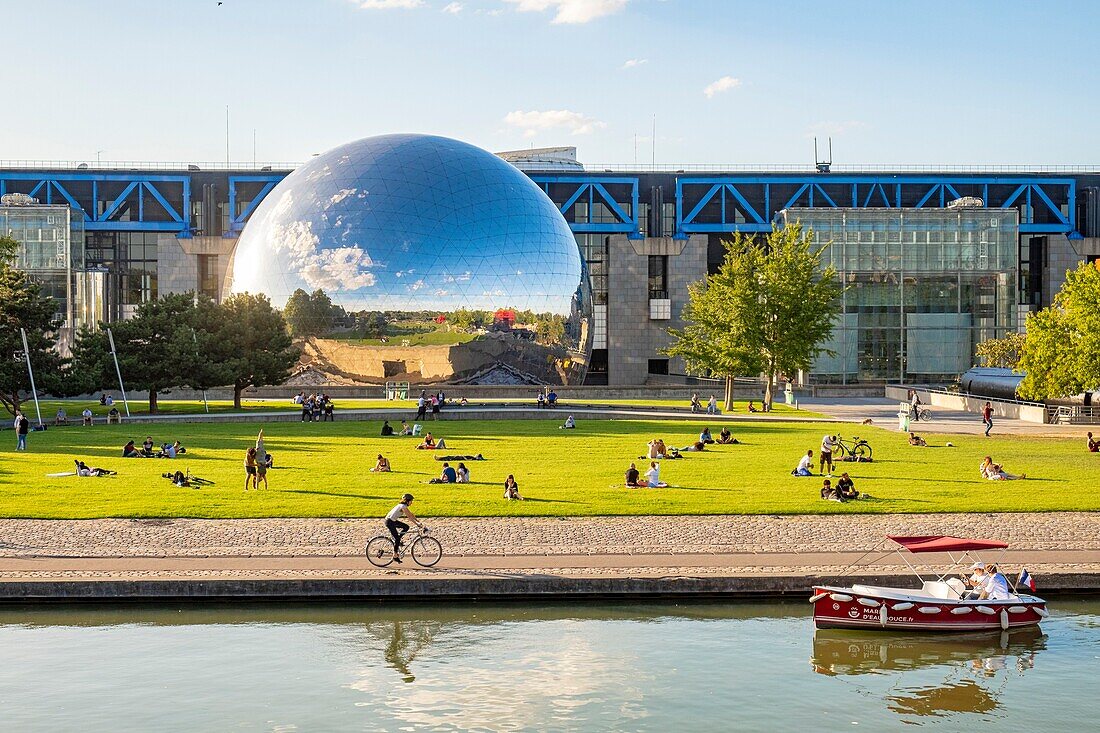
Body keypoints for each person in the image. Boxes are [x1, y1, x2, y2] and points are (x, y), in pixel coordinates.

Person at [385, 493, 423, 561]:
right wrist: (417, 524)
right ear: (407, 501)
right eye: (411, 501)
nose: (412, 503)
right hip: (389, 522)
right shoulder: (403, 506)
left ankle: (398, 541)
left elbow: (411, 515)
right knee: (397, 539)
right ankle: (395, 555)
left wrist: (418, 522)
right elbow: (409, 517)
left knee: (406, 527)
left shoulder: (403, 506)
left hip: (392, 521)